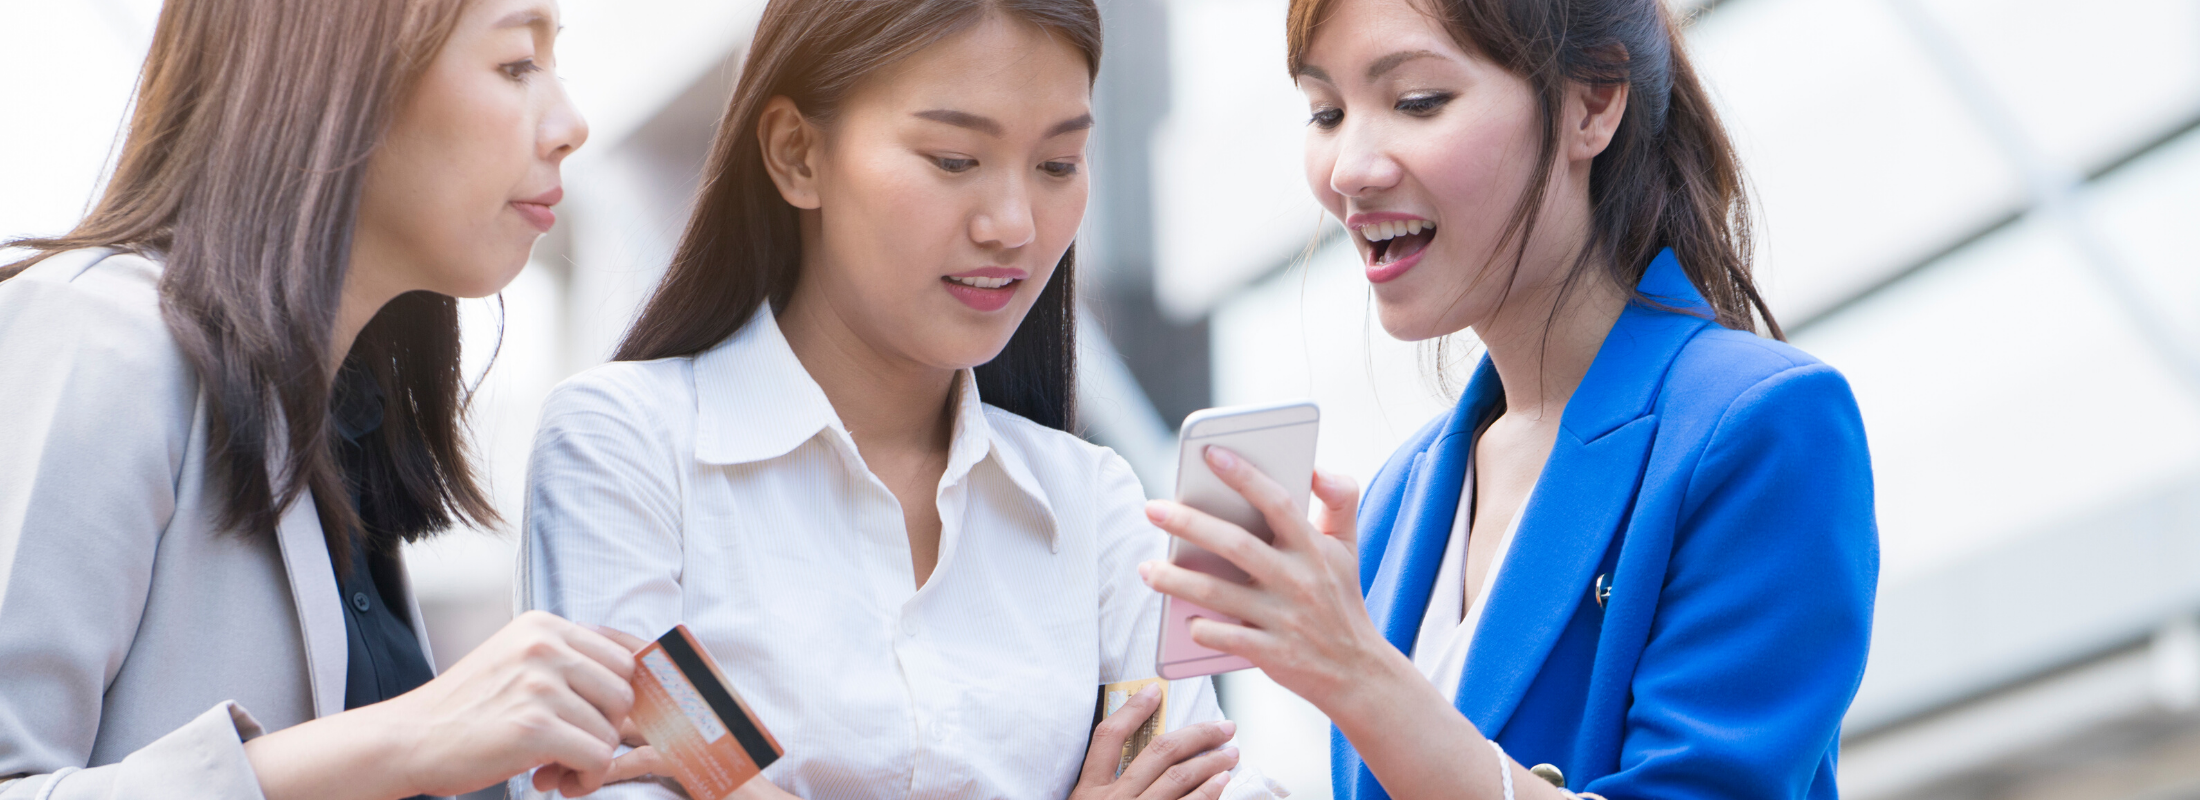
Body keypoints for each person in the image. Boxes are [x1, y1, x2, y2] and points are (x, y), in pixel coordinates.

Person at [517, 1, 1281, 798]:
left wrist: (738, 783)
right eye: (954, 159)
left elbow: (1207, 782)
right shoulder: (625, 446)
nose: (1014, 225)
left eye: (1057, 165)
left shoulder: (1095, 507)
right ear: (797, 154)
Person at [1137, 0, 1878, 798]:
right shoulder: (1398, 501)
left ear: (1592, 103)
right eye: (1326, 111)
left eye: (1417, 101)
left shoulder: (1758, 426)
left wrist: (1357, 675)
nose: (1349, 167)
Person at [0, 0, 657, 797]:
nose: (570, 123)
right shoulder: (97, 336)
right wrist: (404, 739)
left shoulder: (344, 417)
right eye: (518, 64)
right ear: (343, 77)